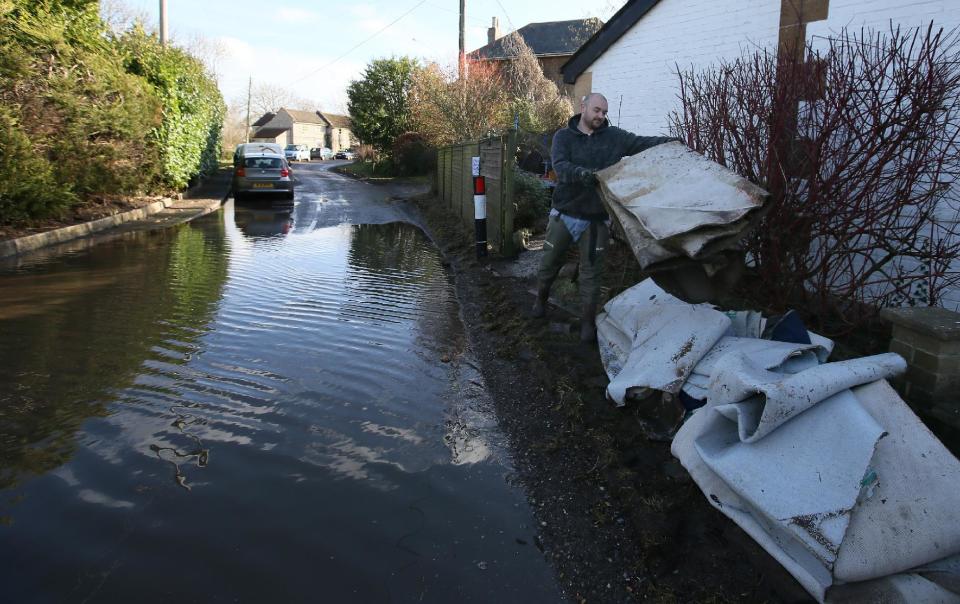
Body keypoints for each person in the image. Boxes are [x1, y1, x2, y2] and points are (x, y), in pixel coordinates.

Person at [532, 93, 678, 342]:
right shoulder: (563, 137)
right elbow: (560, 166)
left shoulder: (615, 138)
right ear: (583, 107)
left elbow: (641, 143)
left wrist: (671, 142)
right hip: (564, 214)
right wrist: (582, 174)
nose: (600, 116)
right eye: (597, 110)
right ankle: (541, 300)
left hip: (596, 218)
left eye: (604, 112)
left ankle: (588, 323)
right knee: (548, 264)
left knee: (592, 274)